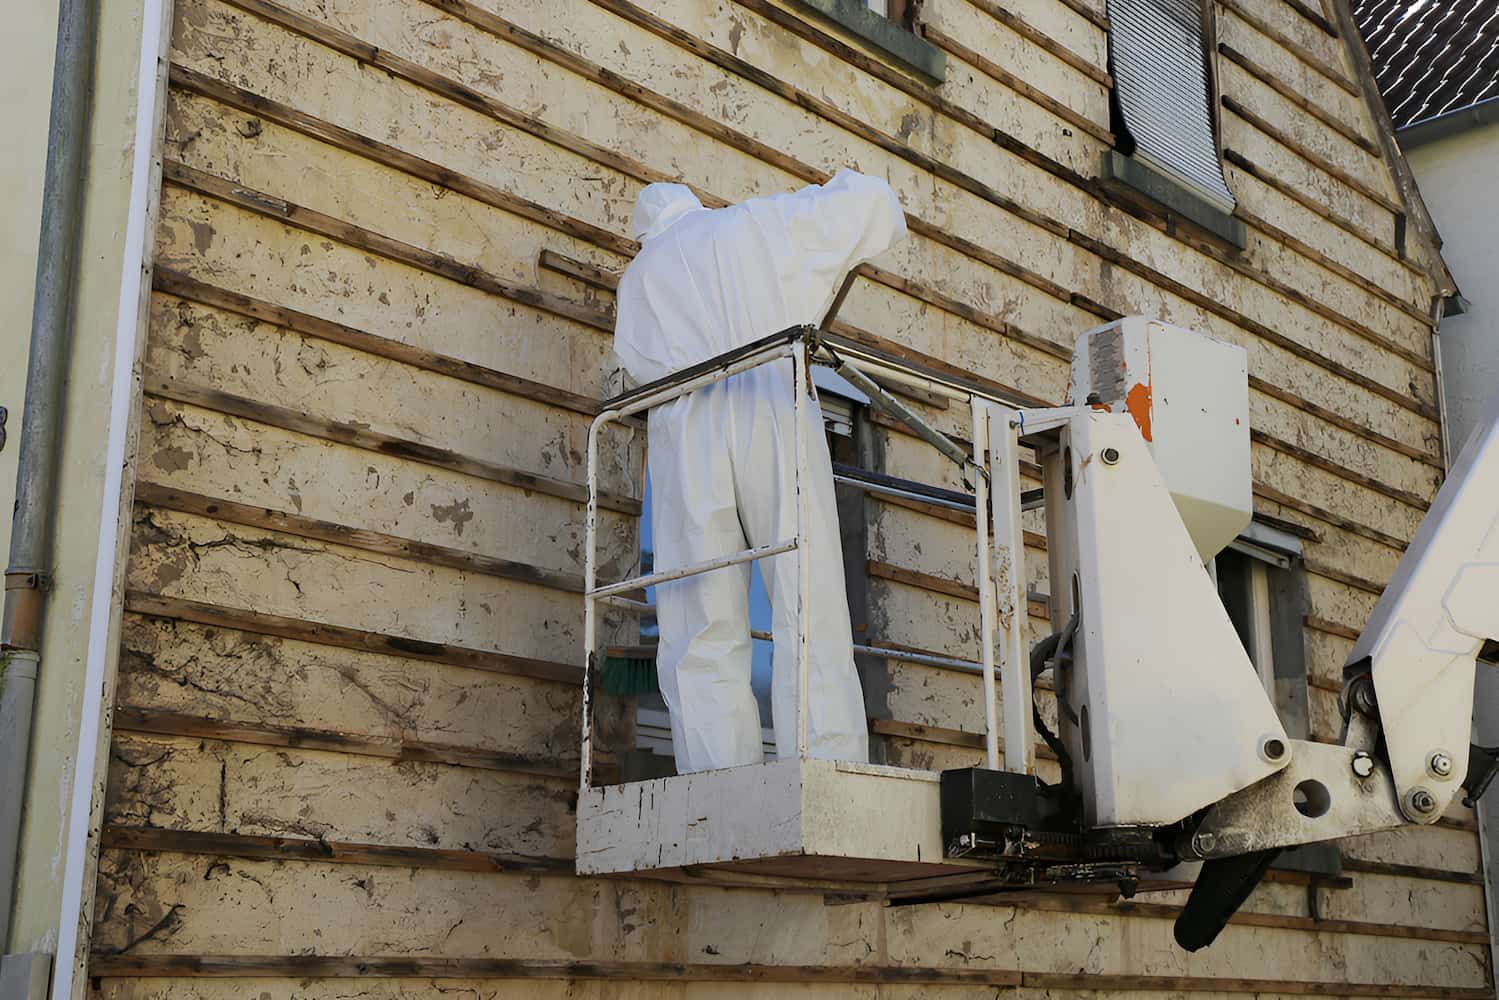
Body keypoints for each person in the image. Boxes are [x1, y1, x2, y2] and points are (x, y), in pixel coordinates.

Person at [613, 168, 907, 773]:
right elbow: (870, 200)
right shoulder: (740, 227)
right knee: (806, 588)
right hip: (766, 400)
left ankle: (714, 772)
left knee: (698, 610)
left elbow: (636, 368)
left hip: (683, 428)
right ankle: (824, 762)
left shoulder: (639, 278)